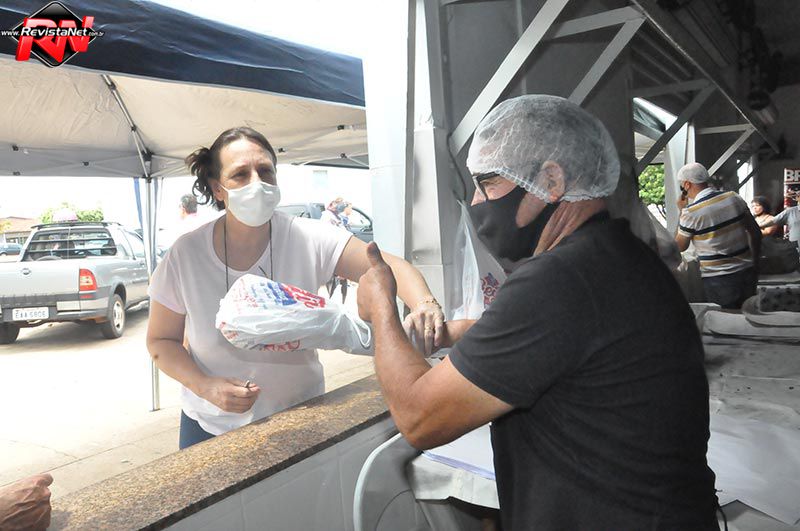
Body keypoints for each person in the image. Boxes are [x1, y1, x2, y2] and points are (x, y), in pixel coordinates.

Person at [357, 95, 719, 530]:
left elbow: (419, 417)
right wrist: (460, 333)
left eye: (488, 183)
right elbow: (566, 340)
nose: (476, 202)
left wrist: (381, 305)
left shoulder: (559, 278)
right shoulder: (619, 255)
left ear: (551, 180)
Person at [145, 127, 445, 449]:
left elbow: (386, 265)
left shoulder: (308, 237)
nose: (257, 183)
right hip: (210, 424)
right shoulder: (186, 255)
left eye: (265, 171)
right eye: (240, 175)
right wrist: (205, 386)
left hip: (299, 416)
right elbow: (161, 341)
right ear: (218, 188)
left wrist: (424, 303)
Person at [674, 162, 761, 309]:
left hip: (718, 279)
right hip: (746, 271)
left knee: (727, 319)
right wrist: (755, 264)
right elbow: (756, 233)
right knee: (750, 316)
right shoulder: (734, 197)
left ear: (687, 184)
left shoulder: (691, 213)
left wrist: (681, 211)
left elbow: (680, 247)